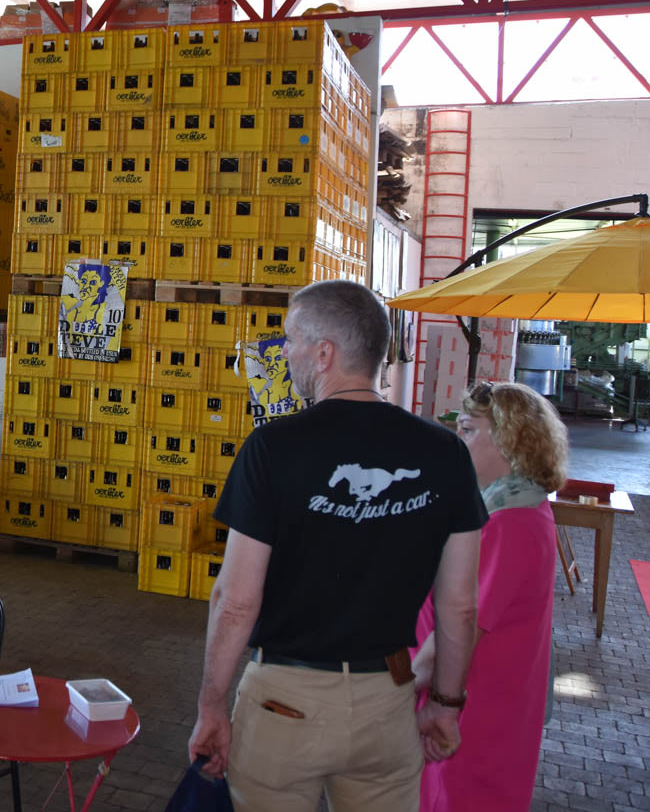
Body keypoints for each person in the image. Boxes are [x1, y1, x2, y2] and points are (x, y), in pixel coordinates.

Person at [188, 279, 488, 811]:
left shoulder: (272, 448)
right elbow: (460, 608)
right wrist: (446, 704)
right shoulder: (446, 453)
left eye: (290, 339)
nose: (285, 352)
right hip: (387, 705)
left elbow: (234, 601)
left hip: (283, 706)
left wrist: (212, 705)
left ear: (323, 353)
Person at [410, 382, 566, 811]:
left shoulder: (510, 522)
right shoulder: (511, 505)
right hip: (475, 701)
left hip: (473, 710)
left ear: (509, 440)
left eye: (467, 430)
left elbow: (459, 627)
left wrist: (401, 693)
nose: (458, 442)